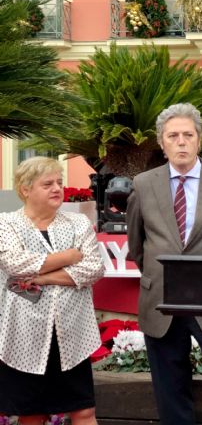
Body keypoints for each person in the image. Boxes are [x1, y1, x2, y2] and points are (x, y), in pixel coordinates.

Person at [126, 103, 202, 425]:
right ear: (162, 142)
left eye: (188, 135)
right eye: (173, 136)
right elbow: (137, 242)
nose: (181, 142)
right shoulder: (143, 184)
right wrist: (157, 273)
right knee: (169, 388)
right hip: (161, 296)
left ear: (199, 139)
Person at [0, 156, 105, 425]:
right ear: (25, 189)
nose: (57, 188)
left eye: (59, 182)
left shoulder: (78, 223)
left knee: (84, 411)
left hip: (71, 335)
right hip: (25, 335)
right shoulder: (6, 224)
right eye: (47, 184)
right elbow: (16, 265)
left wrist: (43, 278)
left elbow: (93, 268)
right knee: (32, 414)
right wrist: (70, 256)